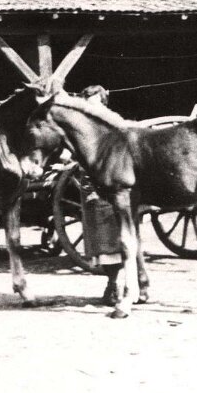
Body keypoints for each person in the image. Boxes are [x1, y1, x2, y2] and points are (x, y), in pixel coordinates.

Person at [79, 85, 123, 306]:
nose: (92, 109)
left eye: (96, 104)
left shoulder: (113, 125)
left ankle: (116, 286)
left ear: (104, 104)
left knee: (116, 237)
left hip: (112, 185)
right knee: (102, 240)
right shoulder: (82, 128)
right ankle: (114, 284)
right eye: (88, 104)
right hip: (92, 189)